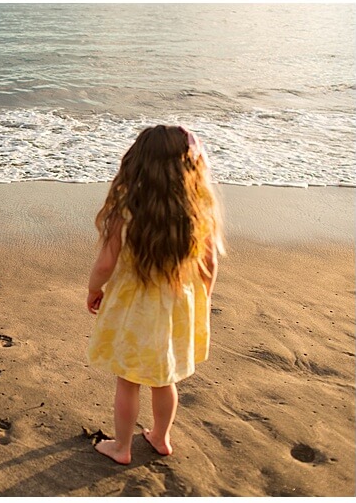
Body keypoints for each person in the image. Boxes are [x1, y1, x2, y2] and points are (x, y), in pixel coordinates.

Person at [85, 125, 223, 465]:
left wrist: (94, 289)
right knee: (165, 378)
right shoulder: (196, 213)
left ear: (138, 162)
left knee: (128, 380)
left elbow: (105, 263)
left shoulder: (126, 208)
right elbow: (210, 263)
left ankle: (121, 447)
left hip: (134, 309)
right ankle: (161, 437)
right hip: (177, 305)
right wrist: (203, 297)